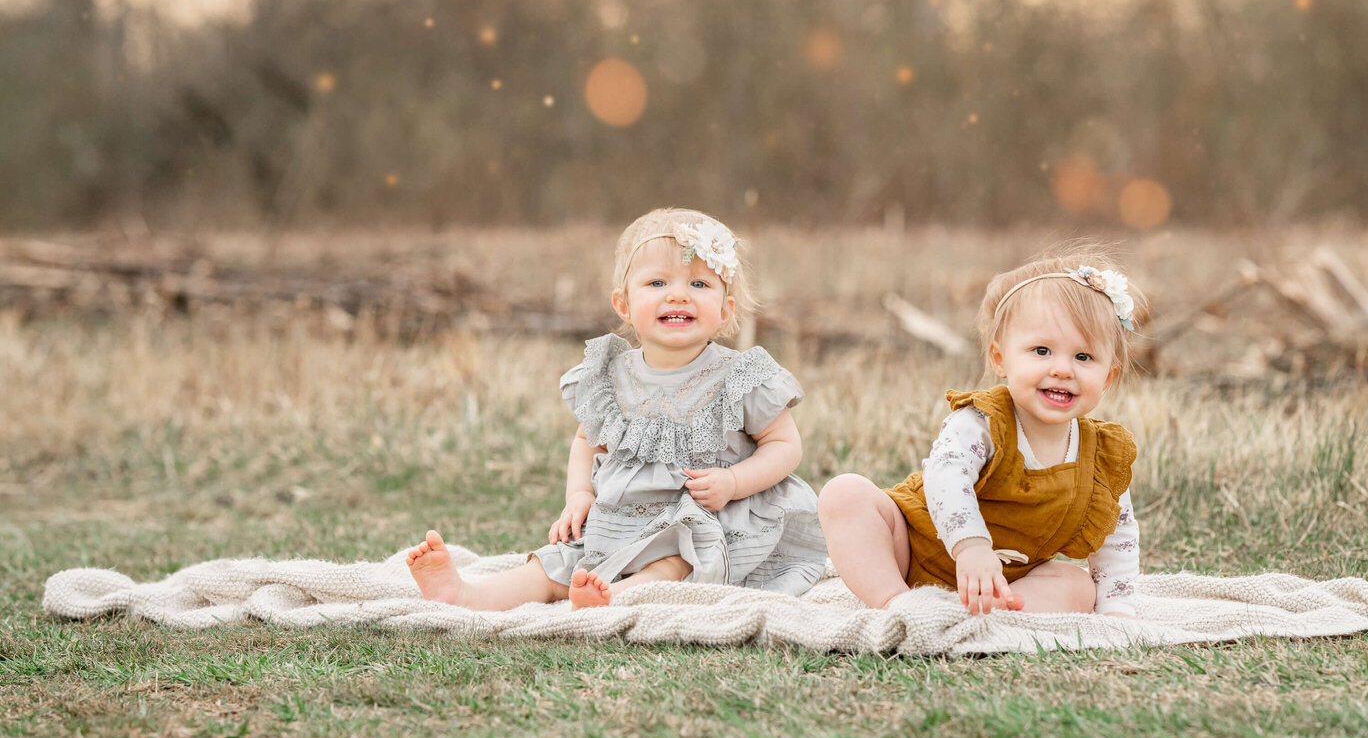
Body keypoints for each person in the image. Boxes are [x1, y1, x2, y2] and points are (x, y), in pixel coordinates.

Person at [407, 208, 827, 609]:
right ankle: (465, 595)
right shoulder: (610, 376)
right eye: (657, 283)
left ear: (725, 310)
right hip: (618, 517)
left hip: (702, 517)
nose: (678, 294)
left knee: (678, 559)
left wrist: (734, 481)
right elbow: (585, 442)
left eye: (699, 285)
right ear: (623, 305)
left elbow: (785, 445)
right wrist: (579, 495)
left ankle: (618, 594)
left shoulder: (739, 377)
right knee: (559, 561)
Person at [819, 243, 1144, 617]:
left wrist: (1118, 610)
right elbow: (946, 474)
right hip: (911, 551)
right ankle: (896, 605)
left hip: (1005, 582)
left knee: (1077, 587)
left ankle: (991, 617)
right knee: (843, 494)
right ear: (1000, 358)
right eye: (1041, 351)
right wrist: (971, 547)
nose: (1062, 369)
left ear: (1108, 376)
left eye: (1083, 357)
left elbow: (1116, 538)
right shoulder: (982, 421)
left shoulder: (1100, 456)